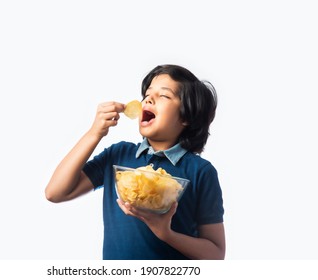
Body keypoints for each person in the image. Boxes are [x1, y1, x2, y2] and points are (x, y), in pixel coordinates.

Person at [45, 64, 225, 260]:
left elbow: (215, 254)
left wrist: (167, 234)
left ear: (186, 117)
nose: (148, 99)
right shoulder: (118, 154)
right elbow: (55, 192)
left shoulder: (201, 171)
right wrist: (94, 133)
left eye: (164, 95)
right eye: (147, 94)